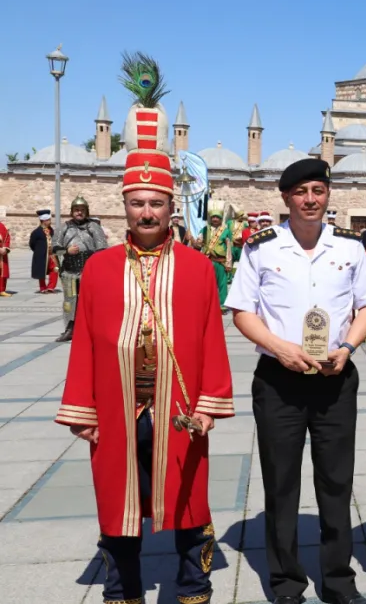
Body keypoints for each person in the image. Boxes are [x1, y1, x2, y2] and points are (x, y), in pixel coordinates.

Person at [55, 110, 235, 604]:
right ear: (125, 206)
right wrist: (83, 410)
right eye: (137, 203)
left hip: (179, 409)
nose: (147, 213)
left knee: (188, 499)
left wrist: (209, 403)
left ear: (171, 206)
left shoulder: (198, 269)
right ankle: (123, 591)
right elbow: (86, 344)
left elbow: (212, 341)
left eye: (156, 202)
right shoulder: (98, 268)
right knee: (120, 501)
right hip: (117, 407)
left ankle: (193, 590)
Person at [226, 158, 366, 604]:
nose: (310, 200)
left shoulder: (350, 247)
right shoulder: (261, 248)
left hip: (335, 377)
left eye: (318, 190)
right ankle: (286, 581)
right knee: (282, 482)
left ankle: (337, 580)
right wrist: (281, 348)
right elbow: (242, 312)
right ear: (285, 197)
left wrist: (349, 347)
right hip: (280, 381)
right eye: (301, 192)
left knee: (336, 483)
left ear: (328, 195)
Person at [52, 196, 109, 342]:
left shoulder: (94, 227)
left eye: (82, 210)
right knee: (69, 301)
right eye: (76, 210)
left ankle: (93, 329)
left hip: (88, 270)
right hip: (69, 271)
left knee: (90, 300)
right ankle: (70, 328)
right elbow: (54, 248)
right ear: (72, 211)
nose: (79, 212)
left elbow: (102, 248)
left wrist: (93, 261)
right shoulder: (63, 228)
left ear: (86, 211)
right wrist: (66, 250)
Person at [196, 207, 233, 308]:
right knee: (206, 283)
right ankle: (206, 303)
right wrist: (195, 241)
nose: (215, 219)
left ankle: (222, 305)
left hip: (220, 261)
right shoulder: (204, 230)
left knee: (222, 284)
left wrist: (229, 263)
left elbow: (229, 248)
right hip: (207, 260)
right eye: (213, 217)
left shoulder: (226, 231)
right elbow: (198, 245)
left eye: (217, 217)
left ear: (221, 219)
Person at [29, 209, 59, 293]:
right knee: (41, 272)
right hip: (41, 255)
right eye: (48, 220)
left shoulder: (51, 230)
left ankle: (51, 287)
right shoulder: (36, 232)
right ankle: (43, 288)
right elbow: (32, 244)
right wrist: (39, 251)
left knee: (55, 269)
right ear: (43, 221)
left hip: (52, 255)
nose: (50, 222)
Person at [0, 219, 11, 297]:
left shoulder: (1, 226)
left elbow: (7, 238)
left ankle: (1, 289)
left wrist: (5, 248)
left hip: (2, 254)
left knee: (2, 272)